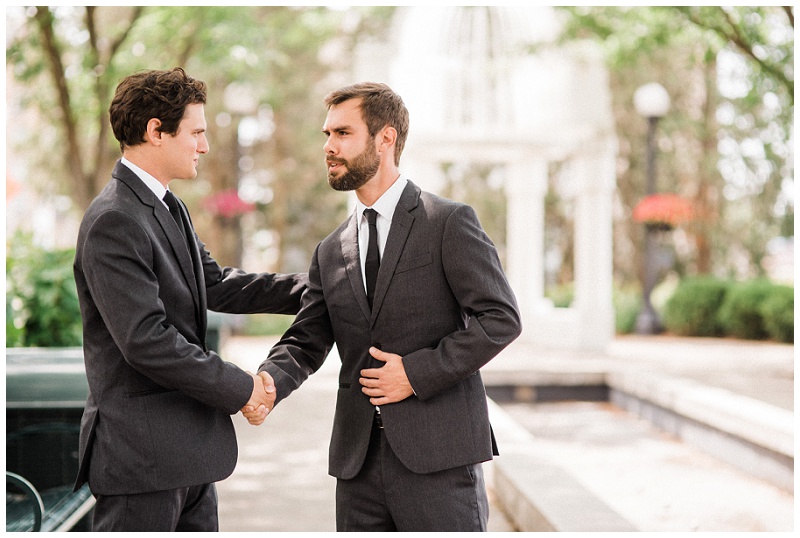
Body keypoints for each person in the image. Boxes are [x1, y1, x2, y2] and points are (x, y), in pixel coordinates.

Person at [245, 82, 522, 531]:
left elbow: (501, 318)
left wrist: (415, 373)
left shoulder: (448, 222)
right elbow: (308, 337)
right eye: (327, 134)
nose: (328, 147)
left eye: (342, 133)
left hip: (439, 459)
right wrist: (268, 383)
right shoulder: (331, 249)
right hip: (357, 466)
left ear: (385, 138)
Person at [72, 67, 307, 531]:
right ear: (155, 131)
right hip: (142, 464)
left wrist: (315, 289)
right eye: (196, 132)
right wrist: (243, 390)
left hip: (191, 458)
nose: (204, 145)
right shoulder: (113, 220)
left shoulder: (166, 205)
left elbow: (216, 282)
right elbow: (146, 340)